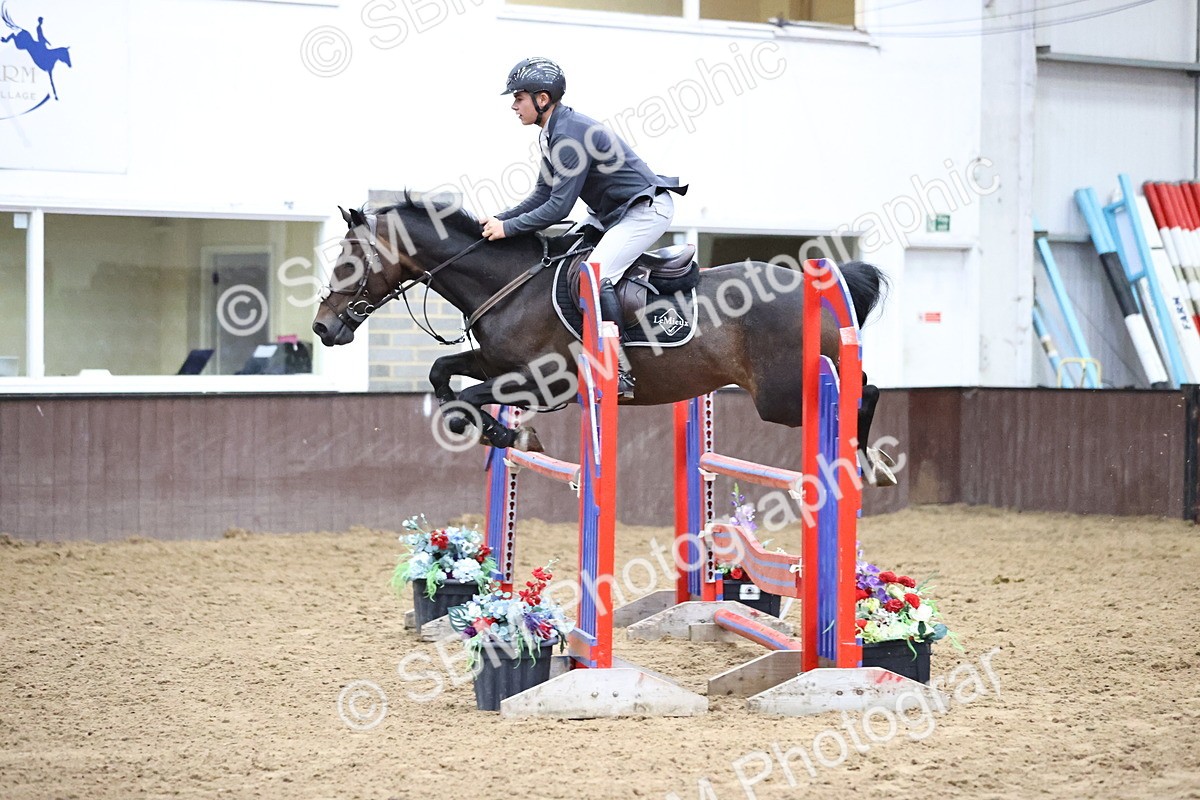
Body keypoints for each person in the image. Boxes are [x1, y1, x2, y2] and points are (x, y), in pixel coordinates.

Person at [480, 57, 687, 399]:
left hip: (643, 210)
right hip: (612, 213)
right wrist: (499, 220)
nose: (514, 106)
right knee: (560, 260)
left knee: (595, 274)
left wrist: (509, 229)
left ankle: (616, 367)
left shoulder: (568, 136)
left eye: (518, 98)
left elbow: (558, 208)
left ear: (541, 99)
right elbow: (542, 195)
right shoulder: (553, 133)